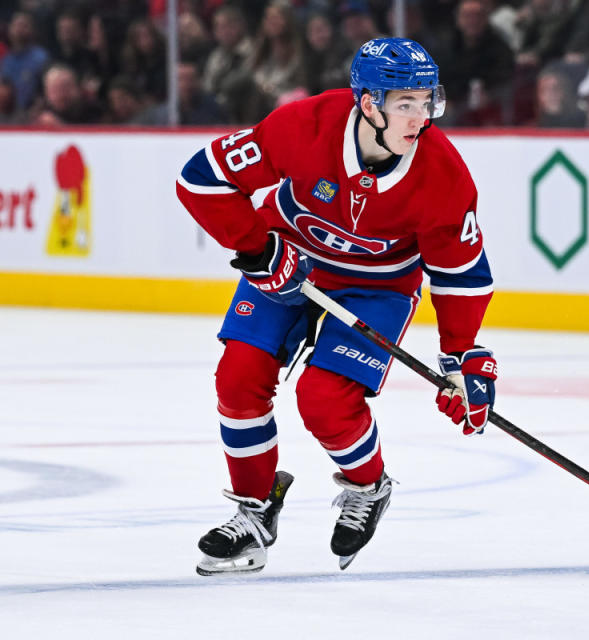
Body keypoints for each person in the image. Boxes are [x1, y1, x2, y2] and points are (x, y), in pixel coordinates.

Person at [176, 38, 497, 575]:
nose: (421, 118)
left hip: (378, 286)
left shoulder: (444, 176)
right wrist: (258, 249)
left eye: (427, 102)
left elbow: (459, 273)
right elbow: (200, 179)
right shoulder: (304, 126)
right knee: (238, 381)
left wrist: (461, 357)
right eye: (405, 104)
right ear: (368, 103)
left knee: (324, 400)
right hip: (288, 261)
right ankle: (254, 513)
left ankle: (369, 487)